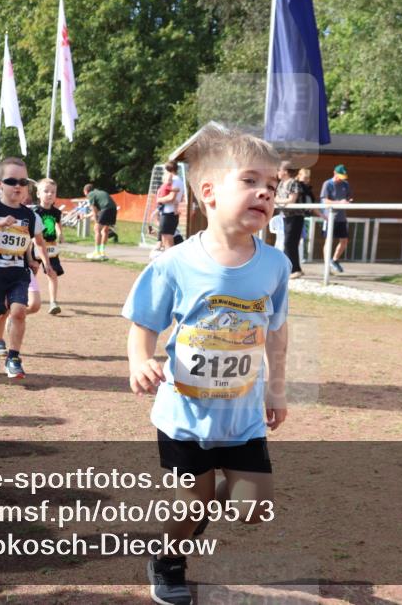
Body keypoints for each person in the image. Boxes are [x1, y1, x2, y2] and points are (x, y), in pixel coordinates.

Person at [122, 126, 289, 605]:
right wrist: (140, 360)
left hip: (242, 416)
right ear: (209, 192)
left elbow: (276, 330)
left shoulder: (276, 265)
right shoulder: (174, 263)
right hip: (186, 417)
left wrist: (276, 388)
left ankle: (202, 501)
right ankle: (168, 561)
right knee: (191, 506)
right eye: (251, 180)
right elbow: (144, 323)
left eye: (273, 185)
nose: (265, 192)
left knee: (253, 508)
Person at [0, 157, 41, 379]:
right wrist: (0, 223)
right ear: (0, 184)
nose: (18, 186)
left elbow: (26, 241)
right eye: (12, 181)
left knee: (18, 312)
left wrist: (31, 259)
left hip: (18, 273)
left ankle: (13, 358)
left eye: (23, 182)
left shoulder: (28, 215)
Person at [34, 178, 66, 315]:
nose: (49, 194)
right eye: (46, 191)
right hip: (37, 245)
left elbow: (58, 224)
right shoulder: (35, 212)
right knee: (32, 272)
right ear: (38, 194)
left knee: (52, 274)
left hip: (51, 247)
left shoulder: (56, 212)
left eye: (53, 192)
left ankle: (53, 302)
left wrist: (60, 234)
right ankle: (25, 298)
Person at [274, 162, 310, 279]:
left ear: (285, 171)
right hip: (286, 216)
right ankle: (293, 269)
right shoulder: (281, 183)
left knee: (290, 243)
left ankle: (295, 269)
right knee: (288, 243)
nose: (277, 172)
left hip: (296, 216)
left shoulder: (293, 183)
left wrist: (278, 201)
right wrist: (279, 200)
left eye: (279, 169)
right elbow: (277, 197)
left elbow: (291, 200)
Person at [320, 163, 353, 273]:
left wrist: (348, 202)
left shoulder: (346, 184)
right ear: (334, 173)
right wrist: (339, 202)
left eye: (343, 177)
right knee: (328, 241)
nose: (341, 179)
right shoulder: (327, 184)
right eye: (340, 176)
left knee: (344, 240)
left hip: (341, 217)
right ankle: (326, 266)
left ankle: (334, 260)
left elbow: (349, 198)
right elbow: (325, 201)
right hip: (330, 217)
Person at [157, 160, 186, 251]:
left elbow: (171, 197)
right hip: (170, 213)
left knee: (168, 242)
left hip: (169, 213)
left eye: (165, 170)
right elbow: (180, 198)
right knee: (166, 241)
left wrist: (159, 200)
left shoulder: (175, 181)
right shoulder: (179, 181)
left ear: (169, 170)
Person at [84, 183, 117, 260]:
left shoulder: (90, 194)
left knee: (97, 229)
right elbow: (98, 210)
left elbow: (94, 211)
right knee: (105, 230)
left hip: (106, 209)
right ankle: (102, 251)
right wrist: (85, 216)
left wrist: (96, 221)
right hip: (113, 209)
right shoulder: (99, 193)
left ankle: (97, 252)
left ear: (85, 191)